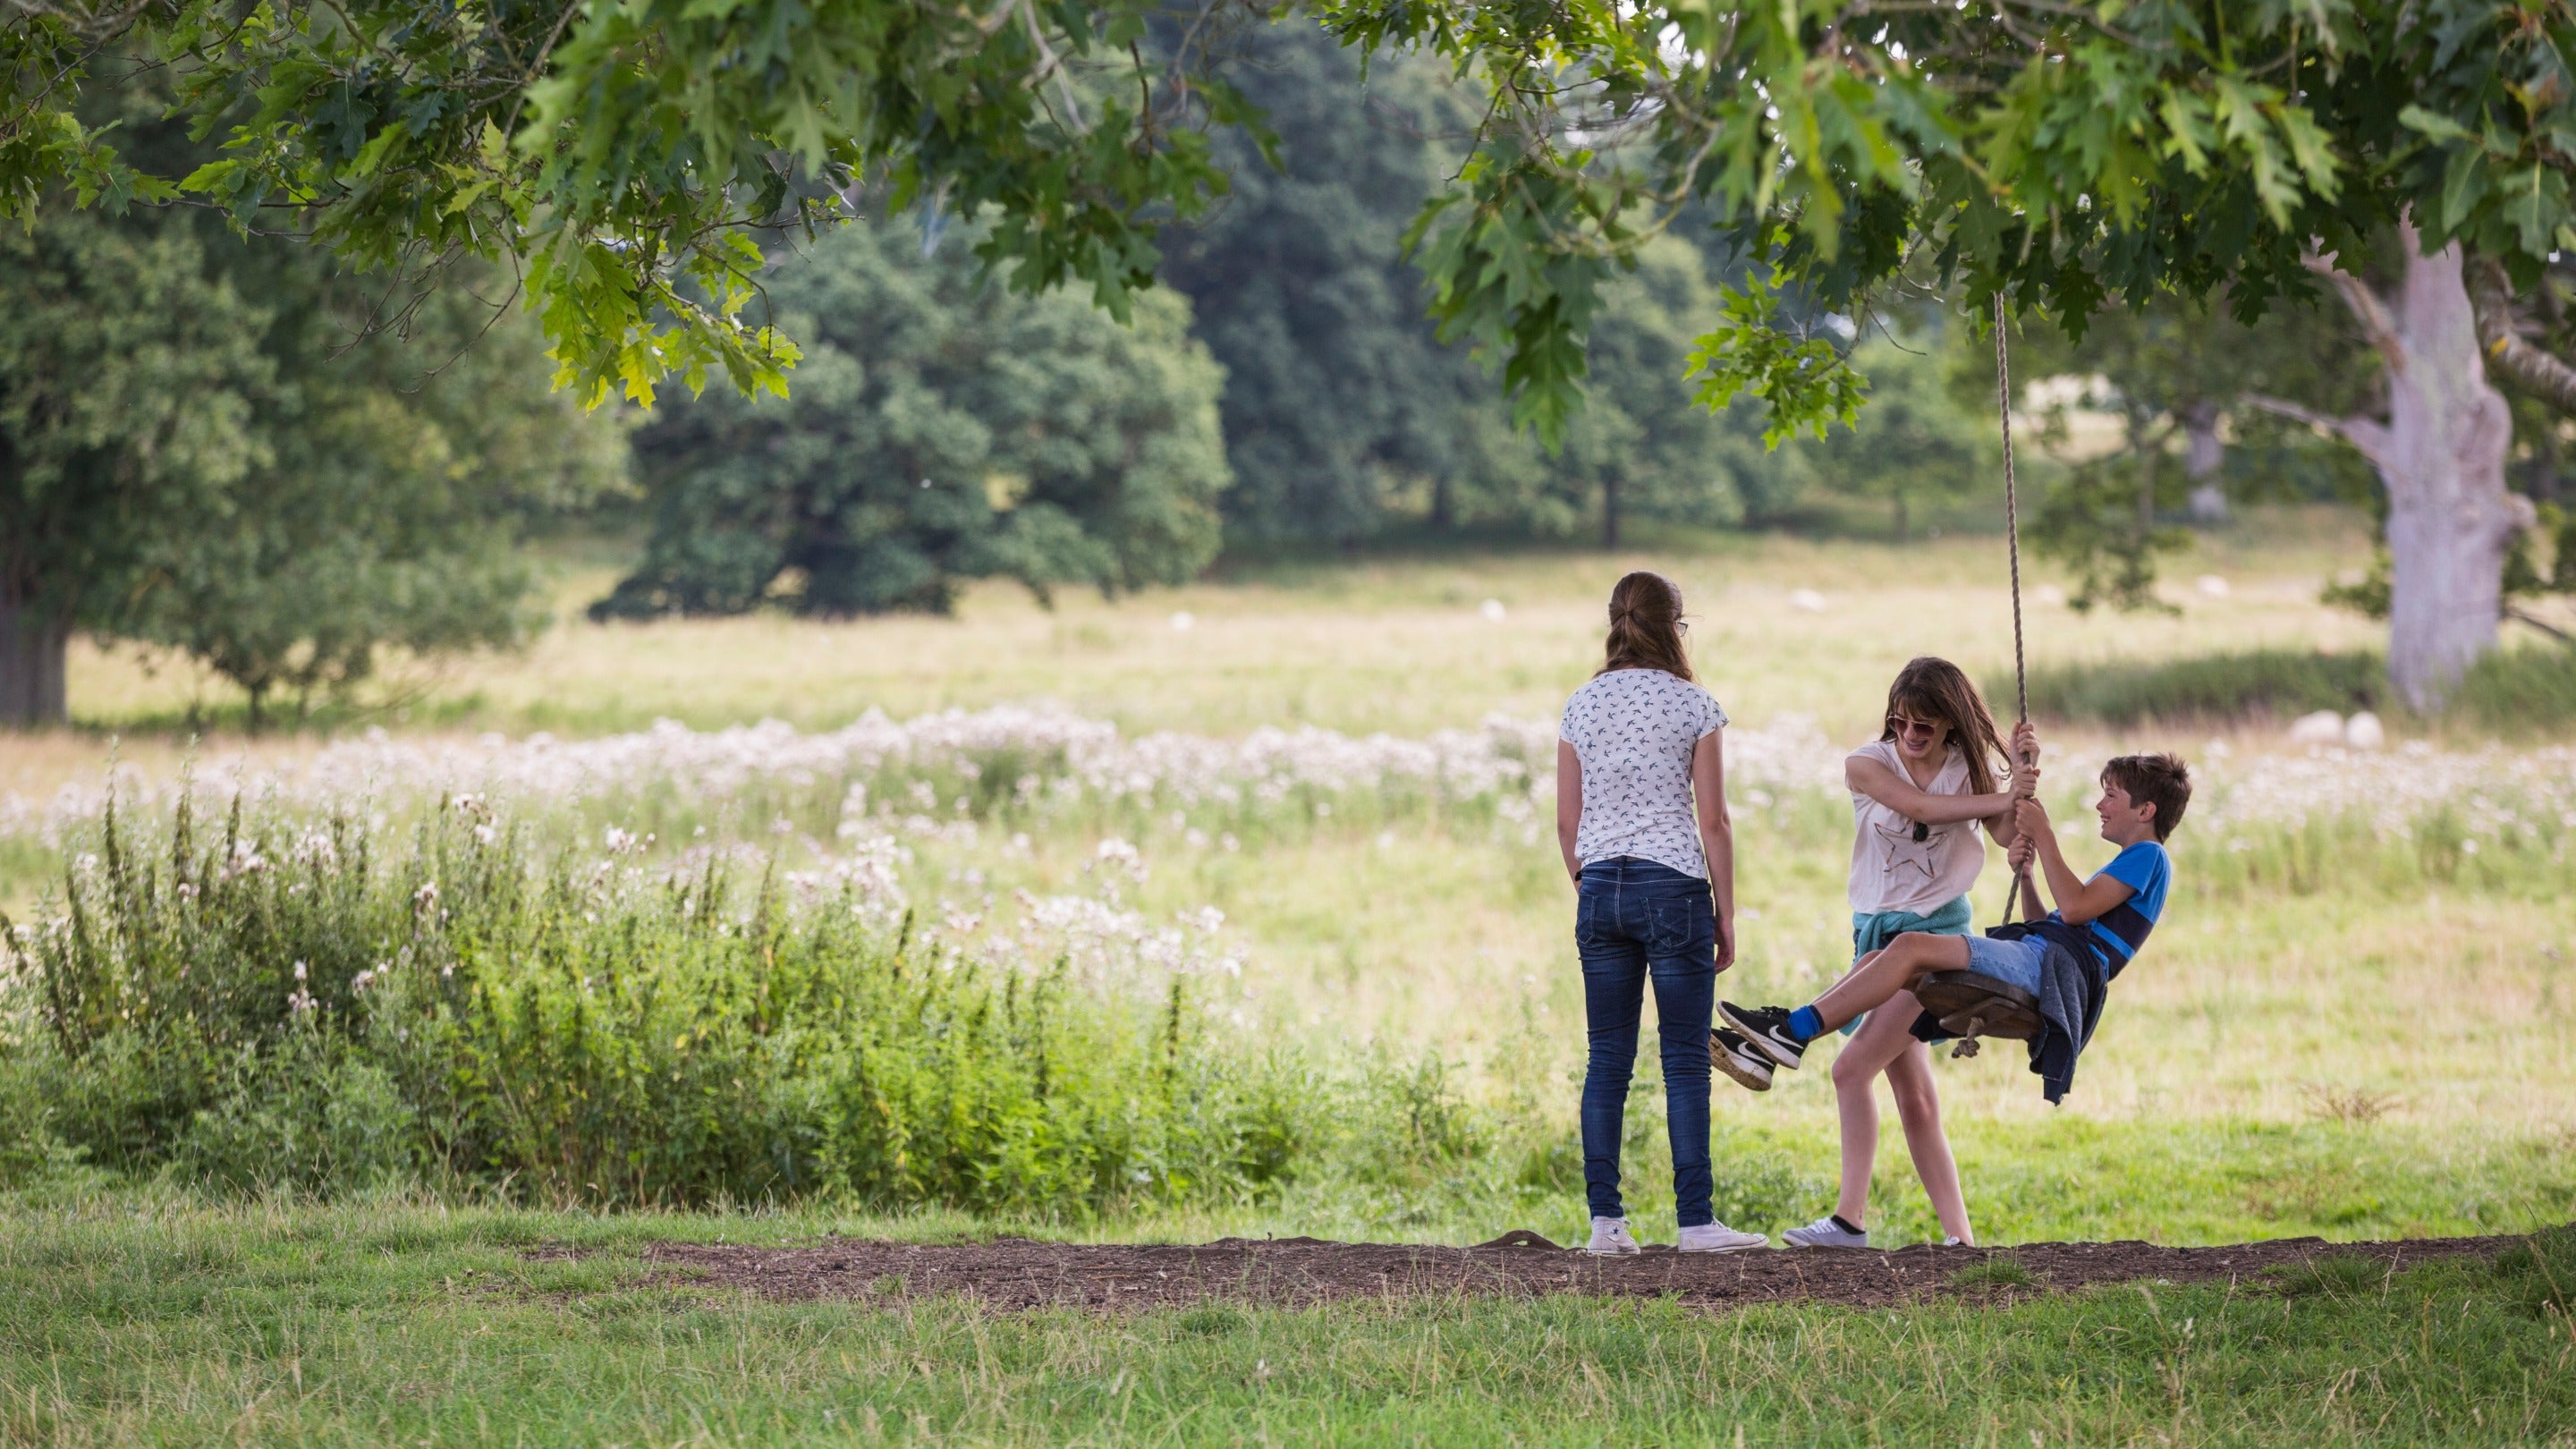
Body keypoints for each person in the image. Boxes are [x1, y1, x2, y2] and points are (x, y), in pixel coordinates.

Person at [1712, 658, 2034, 1250]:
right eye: (1902, 722)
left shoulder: (1970, 771)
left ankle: (1848, 1221)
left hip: (1932, 938)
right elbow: (1919, 808)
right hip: (1873, 936)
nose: (1911, 735)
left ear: (1952, 726)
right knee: (1914, 1098)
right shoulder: (1865, 764)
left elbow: (2010, 837)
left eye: (1926, 727)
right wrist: (1999, 794)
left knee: (1850, 1069)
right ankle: (1962, 1243)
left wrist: (2018, 779)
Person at [1721, 750, 2190, 1109]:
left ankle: (1792, 1031)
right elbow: (2058, 922)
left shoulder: (2149, 856)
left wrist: (2044, 837)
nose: (2099, 805)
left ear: (2145, 811)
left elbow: (2074, 910)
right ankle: (1772, 1041)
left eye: (2111, 795)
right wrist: (2027, 878)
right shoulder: (2135, 861)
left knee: (1907, 947)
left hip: (2051, 968)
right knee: (1877, 960)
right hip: (2044, 957)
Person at [1556, 571, 1767, 1255]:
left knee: (1607, 1059)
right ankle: (1696, 1223)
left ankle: (1606, 1224)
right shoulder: (1695, 705)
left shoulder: (1579, 706)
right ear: (1676, 626)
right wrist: (1725, 912)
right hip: (1673, 888)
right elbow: (1715, 820)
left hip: (1599, 891)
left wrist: (1591, 886)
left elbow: (1568, 820)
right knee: (1682, 1059)